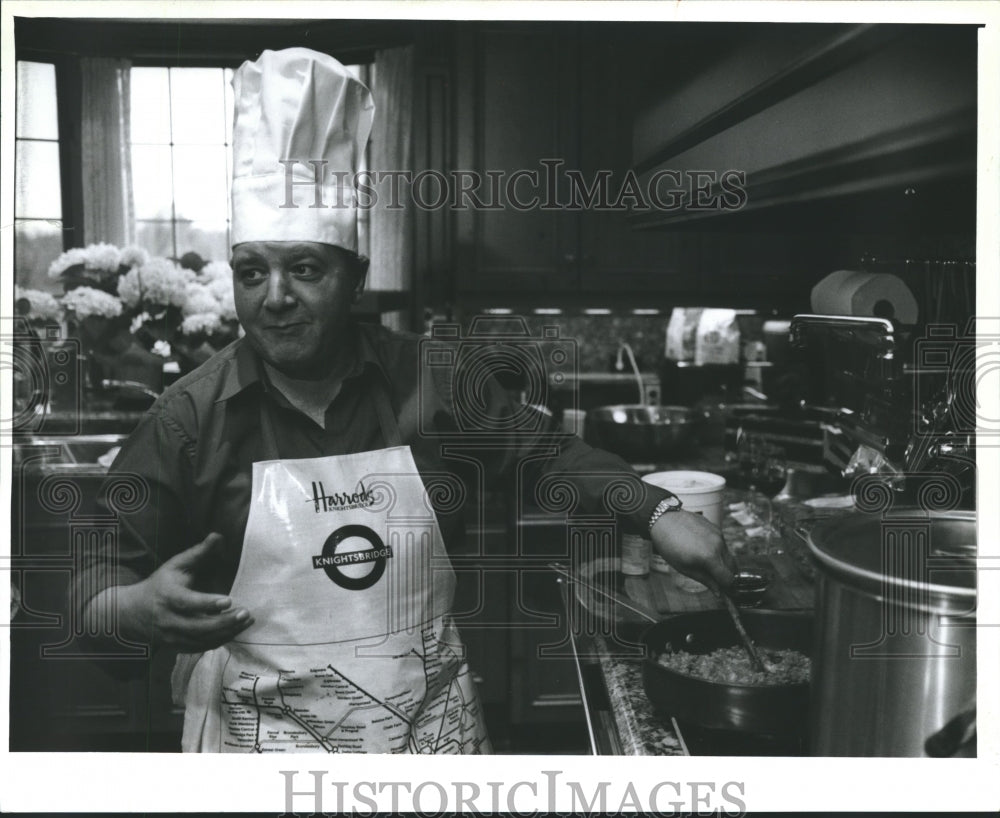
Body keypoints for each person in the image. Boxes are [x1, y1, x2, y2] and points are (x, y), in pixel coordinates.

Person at [79, 47, 736, 753]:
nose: (274, 298)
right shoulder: (189, 417)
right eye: (251, 271)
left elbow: (547, 455)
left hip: (427, 740)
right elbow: (97, 572)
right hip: (260, 750)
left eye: (304, 269)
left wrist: (656, 510)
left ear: (355, 277)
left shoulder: (433, 379)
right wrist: (129, 605)